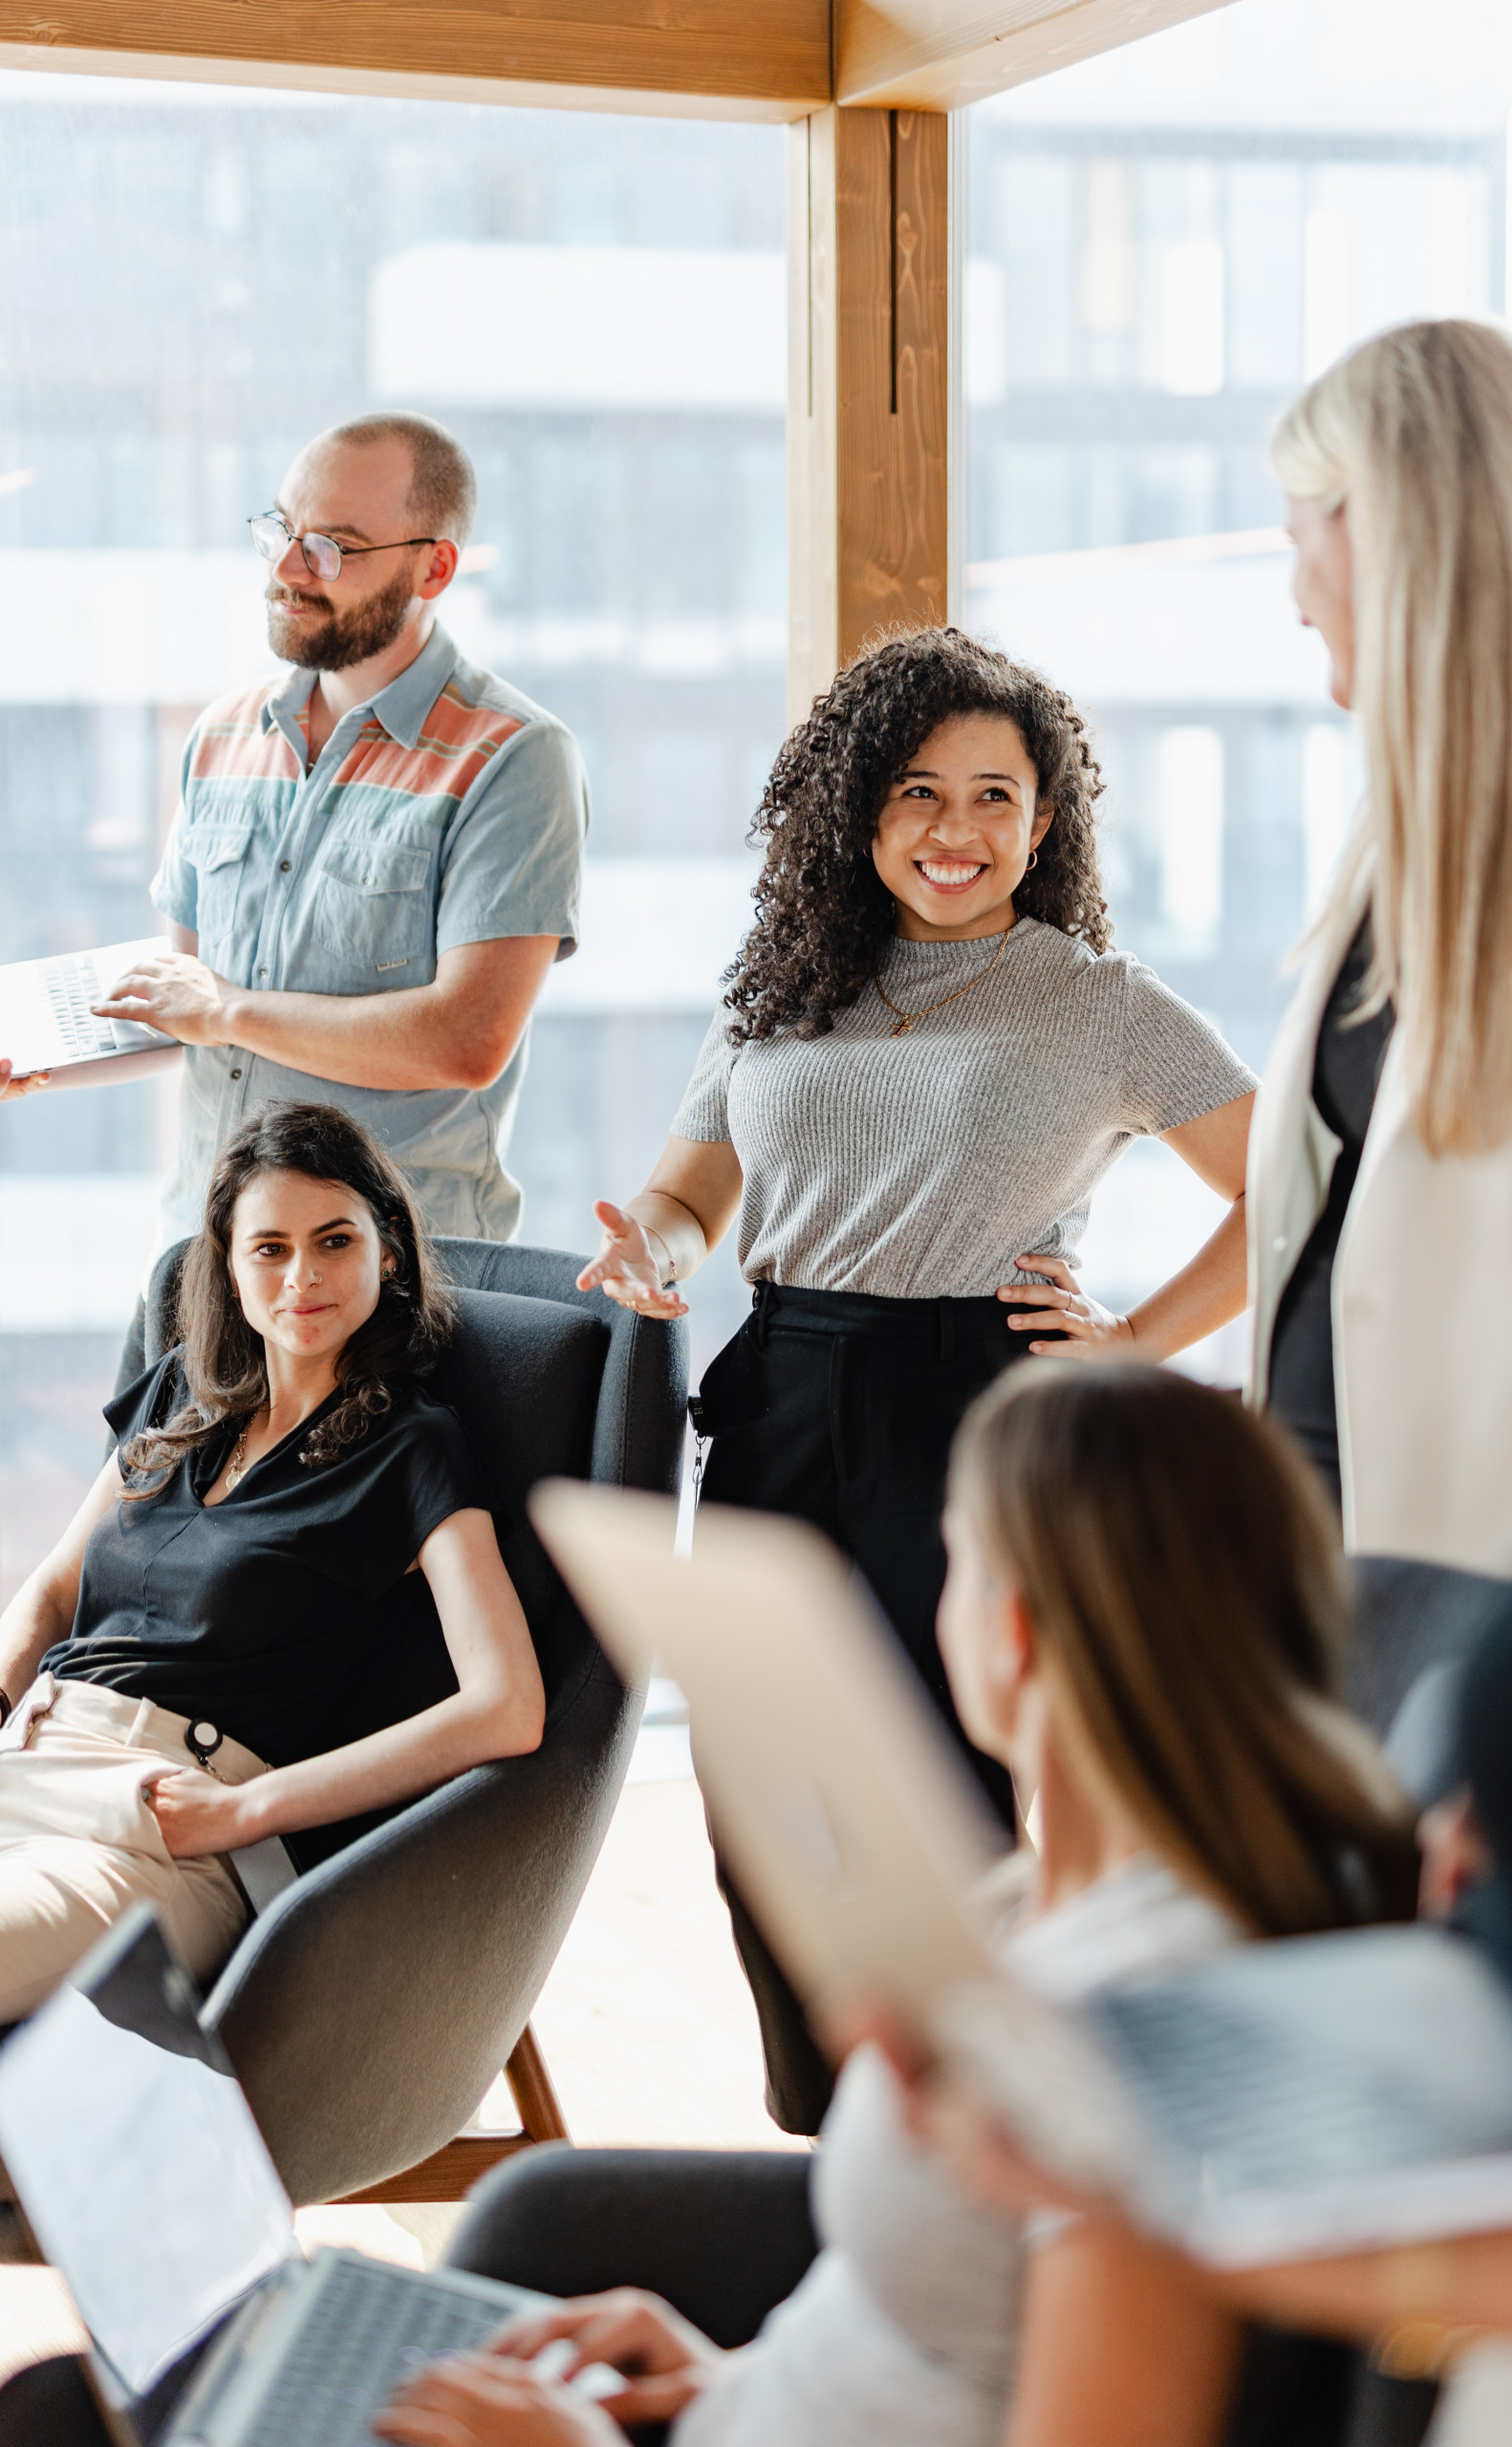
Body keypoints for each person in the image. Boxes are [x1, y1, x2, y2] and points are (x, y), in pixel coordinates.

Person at [376, 1363, 1416, 2447]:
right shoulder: (1044, 1908)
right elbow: (953, 2327)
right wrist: (734, 2376)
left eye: (955, 1553)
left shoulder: (1142, 2030)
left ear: (1009, 1624)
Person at [578, 624, 1258, 2129]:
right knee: (760, 1801)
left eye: (995, 798)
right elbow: (694, 1189)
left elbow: (1291, 1190)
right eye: (917, 793)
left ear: (1044, 817)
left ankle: (956, 2152)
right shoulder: (779, 985)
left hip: (974, 1405)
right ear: (855, 806)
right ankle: (826, 2144)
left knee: (938, 1799)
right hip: (777, 1396)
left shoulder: (1093, 1001)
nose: (957, 832)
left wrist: (1133, 1345)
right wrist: (660, 1249)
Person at [1, 411, 590, 1362]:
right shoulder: (223, 733)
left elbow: (466, 1038)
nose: (288, 567)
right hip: (207, 1275)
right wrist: (38, 1047)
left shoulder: (515, 758)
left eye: (333, 547)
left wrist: (228, 1010)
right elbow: (183, 998)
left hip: (392, 1299)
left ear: (434, 569)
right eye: (280, 531)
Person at [1248, 317, 1512, 1731]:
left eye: (1305, 532)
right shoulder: (1392, 850)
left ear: (1402, 536)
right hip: (1336, 1586)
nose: (1292, 589)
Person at [0, 1099, 544, 2022]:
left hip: (160, 1830)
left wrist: (250, 1814)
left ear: (388, 1254)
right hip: (27, 1758)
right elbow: (54, 1589)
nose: (303, 1277)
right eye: (270, 1249)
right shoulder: (183, 1389)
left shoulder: (412, 1448)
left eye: (335, 1241)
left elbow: (508, 1707)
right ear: (229, 1265)